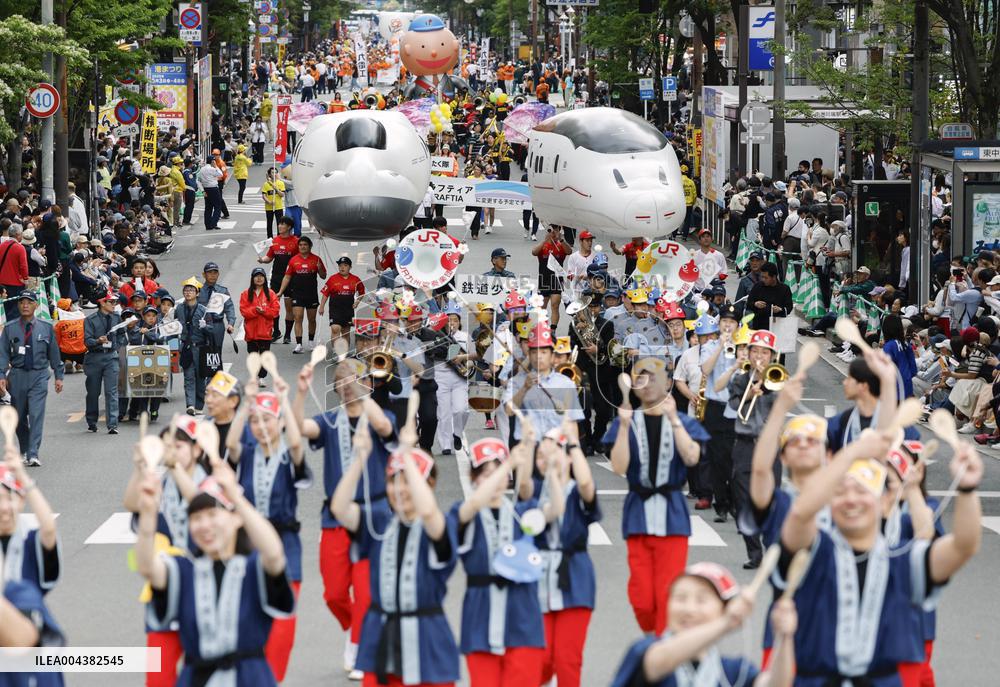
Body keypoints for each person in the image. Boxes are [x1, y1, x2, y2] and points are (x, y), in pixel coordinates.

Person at [779, 422, 982, 685]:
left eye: (863, 491)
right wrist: (851, 453)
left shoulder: (905, 561)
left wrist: (966, 489)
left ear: (886, 500)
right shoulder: (814, 553)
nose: (851, 499)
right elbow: (799, 513)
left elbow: (963, 546)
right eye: (840, 492)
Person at [136, 451, 295, 687]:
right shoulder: (184, 570)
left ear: (236, 519)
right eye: (196, 519)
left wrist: (237, 498)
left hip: (250, 678)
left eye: (212, 515)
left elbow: (274, 553)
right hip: (196, 678)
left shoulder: (252, 568)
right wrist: (148, 515)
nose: (204, 525)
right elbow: (148, 566)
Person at [331, 417, 461, 687]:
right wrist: (359, 460)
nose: (400, 490)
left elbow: (427, 511)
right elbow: (340, 509)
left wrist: (405, 456)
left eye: (408, 483)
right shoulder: (379, 523)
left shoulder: (441, 524)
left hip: (427, 638)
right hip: (380, 637)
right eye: (393, 482)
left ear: (430, 485)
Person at [295, 359, 396, 680]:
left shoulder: (380, 414)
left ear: (367, 381)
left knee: (366, 592)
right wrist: (298, 394)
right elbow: (299, 428)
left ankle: (358, 648)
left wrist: (362, 392)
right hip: (336, 516)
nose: (347, 384)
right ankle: (359, 627)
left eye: (354, 379)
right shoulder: (328, 421)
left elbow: (384, 428)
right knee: (334, 592)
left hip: (375, 516)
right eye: (341, 380)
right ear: (335, 387)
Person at [452, 429, 565, 687]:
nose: (492, 479)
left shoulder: (520, 513)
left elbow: (555, 509)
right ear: (474, 478)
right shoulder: (463, 512)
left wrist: (552, 472)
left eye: (498, 472)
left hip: (522, 614)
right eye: (484, 473)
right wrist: (508, 465)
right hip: (481, 614)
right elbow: (470, 508)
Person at [606, 357, 709, 634]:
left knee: (668, 591)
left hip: (672, 516)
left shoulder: (684, 421)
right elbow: (618, 467)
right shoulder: (626, 420)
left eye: (655, 377)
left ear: (667, 383)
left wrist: (674, 419)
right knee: (641, 597)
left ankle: (663, 649)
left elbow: (692, 457)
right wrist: (624, 426)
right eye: (641, 378)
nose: (648, 384)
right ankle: (655, 638)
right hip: (637, 514)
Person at [225, 379, 310, 683]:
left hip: (285, 546)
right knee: (246, 623)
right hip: (247, 546)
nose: (260, 427)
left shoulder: (290, 454)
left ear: (279, 423)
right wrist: (246, 407)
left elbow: (298, 442)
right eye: (255, 422)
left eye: (267, 421)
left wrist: (285, 400)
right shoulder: (246, 454)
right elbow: (231, 445)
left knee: (282, 632)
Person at [609, 562, 797, 687]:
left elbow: (776, 684)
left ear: (723, 609)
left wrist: (785, 636)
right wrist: (726, 623)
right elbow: (660, 660)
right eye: (680, 598)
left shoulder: (732, 671)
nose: (689, 609)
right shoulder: (645, 650)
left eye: (701, 600)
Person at [520, 425, 600, 687]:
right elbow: (525, 487)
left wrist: (574, 444)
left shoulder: (578, 490)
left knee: (567, 659)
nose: (547, 461)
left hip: (575, 579)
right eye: (542, 457)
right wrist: (531, 445)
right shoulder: (533, 494)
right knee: (541, 659)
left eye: (554, 454)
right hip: (538, 579)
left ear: (568, 457)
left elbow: (587, 484)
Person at [726, 330, 780, 569]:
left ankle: (771, 548)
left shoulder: (778, 379)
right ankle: (754, 551)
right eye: (755, 351)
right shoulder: (740, 379)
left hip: (769, 446)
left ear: (772, 356)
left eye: (764, 352)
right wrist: (751, 392)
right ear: (748, 353)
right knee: (742, 498)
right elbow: (734, 407)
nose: (759, 356)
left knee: (770, 500)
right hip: (745, 444)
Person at [0, 292, 63, 467]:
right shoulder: (10, 328)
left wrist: (59, 376)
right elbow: (3, 353)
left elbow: (54, 354)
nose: (25, 305)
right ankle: (25, 447)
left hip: (39, 375)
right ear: (18, 305)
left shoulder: (45, 327)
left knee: (36, 414)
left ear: (36, 305)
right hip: (17, 376)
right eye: (22, 302)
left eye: (29, 302)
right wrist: (1, 375)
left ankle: (33, 452)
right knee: (18, 417)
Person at [0, 444, 60, 593]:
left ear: (22, 501)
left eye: (10, 498)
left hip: (25, 613)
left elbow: (49, 530)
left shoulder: (28, 537)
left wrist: (22, 477)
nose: (4, 507)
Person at [83, 289, 127, 434]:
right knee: (93, 392)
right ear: (101, 303)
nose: (114, 304)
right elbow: (87, 341)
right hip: (94, 357)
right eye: (111, 301)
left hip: (110, 357)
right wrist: (98, 341)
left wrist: (116, 345)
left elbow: (122, 335)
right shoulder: (90, 320)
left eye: (115, 301)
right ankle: (91, 421)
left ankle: (112, 424)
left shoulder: (116, 317)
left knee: (112, 391)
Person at [276, 236, 327, 353]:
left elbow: (323, 276)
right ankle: (299, 344)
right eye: (300, 245)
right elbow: (287, 277)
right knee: (298, 318)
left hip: (311, 294)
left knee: (312, 319)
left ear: (309, 246)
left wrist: (319, 269)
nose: (302, 247)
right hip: (298, 294)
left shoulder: (316, 259)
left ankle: (310, 342)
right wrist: (280, 291)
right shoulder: (293, 260)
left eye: (305, 245)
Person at [258, 216, 299, 343]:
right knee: (273, 305)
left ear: (289, 227)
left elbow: (300, 259)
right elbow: (269, 257)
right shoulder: (274, 241)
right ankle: (276, 331)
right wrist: (262, 260)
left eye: (283, 224)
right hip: (276, 277)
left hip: (291, 278)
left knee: (289, 307)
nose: (280, 226)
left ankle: (287, 335)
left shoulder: (296, 241)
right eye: (279, 224)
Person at [175, 278, 211, 415]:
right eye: (186, 290)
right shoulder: (179, 308)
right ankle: (190, 404)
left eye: (191, 290)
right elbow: (174, 325)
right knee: (188, 377)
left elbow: (211, 329)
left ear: (197, 293)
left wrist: (205, 326)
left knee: (200, 378)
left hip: (201, 348)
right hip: (186, 347)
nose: (188, 292)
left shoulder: (203, 310)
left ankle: (199, 406)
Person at [239, 268, 281, 382]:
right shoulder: (245, 294)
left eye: (261, 276)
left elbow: (275, 311)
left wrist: (264, 311)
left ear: (264, 278)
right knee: (253, 355)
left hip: (265, 331)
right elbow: (244, 311)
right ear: (252, 279)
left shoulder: (271, 294)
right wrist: (256, 310)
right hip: (251, 332)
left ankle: (261, 377)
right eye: (256, 276)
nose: (259, 278)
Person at [197, 262, 238, 365]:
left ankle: (215, 376)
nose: (212, 275)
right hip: (201, 325)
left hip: (217, 325)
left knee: (216, 353)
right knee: (201, 352)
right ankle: (203, 377)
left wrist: (230, 323)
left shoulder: (222, 291)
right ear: (204, 275)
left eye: (215, 272)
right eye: (209, 272)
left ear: (218, 274)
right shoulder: (198, 290)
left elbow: (229, 308)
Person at [532, 226, 572, 331]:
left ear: (559, 231)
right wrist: (545, 240)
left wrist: (561, 239)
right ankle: (543, 328)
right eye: (551, 230)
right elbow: (534, 252)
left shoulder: (560, 245)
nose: (553, 233)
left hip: (557, 280)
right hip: (543, 280)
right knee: (542, 308)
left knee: (555, 305)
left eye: (556, 230)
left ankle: (553, 330)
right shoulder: (544, 246)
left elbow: (569, 251)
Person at [319, 256, 365, 344]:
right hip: (335, 308)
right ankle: (336, 350)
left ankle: (344, 353)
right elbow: (325, 293)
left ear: (350, 267)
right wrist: (322, 306)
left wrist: (357, 302)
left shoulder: (355, 279)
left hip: (348, 309)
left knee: (345, 332)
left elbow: (362, 292)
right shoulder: (332, 279)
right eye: (340, 266)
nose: (342, 267)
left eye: (345, 265)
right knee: (335, 329)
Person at [746, 262, 793, 331]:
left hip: (777, 326)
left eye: (766, 278)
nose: (763, 280)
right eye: (762, 277)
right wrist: (755, 304)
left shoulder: (784, 289)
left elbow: (789, 308)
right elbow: (749, 303)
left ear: (774, 277)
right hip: (759, 326)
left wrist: (780, 310)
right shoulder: (758, 286)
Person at [0, 227, 29, 322]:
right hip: (16, 283)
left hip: (2, 282)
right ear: (17, 235)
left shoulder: (1, 245)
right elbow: (23, 266)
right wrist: (26, 279)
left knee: (5, 307)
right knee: (15, 310)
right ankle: (13, 330)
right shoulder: (20, 248)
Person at [197, 155, 224, 231]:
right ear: (212, 161)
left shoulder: (202, 169)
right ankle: (213, 223)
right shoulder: (212, 169)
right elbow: (220, 174)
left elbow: (198, 181)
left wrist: (202, 190)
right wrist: (216, 166)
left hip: (206, 189)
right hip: (213, 189)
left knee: (208, 207)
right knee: (217, 206)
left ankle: (208, 225)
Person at [261, 167, 286, 239]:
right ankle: (269, 238)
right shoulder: (266, 184)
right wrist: (269, 202)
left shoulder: (280, 183)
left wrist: (276, 189)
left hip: (278, 207)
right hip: (269, 207)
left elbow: (282, 195)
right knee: (269, 223)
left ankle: (279, 238)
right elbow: (263, 195)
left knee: (279, 224)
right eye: (272, 172)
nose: (274, 174)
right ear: (269, 174)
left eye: (275, 172)